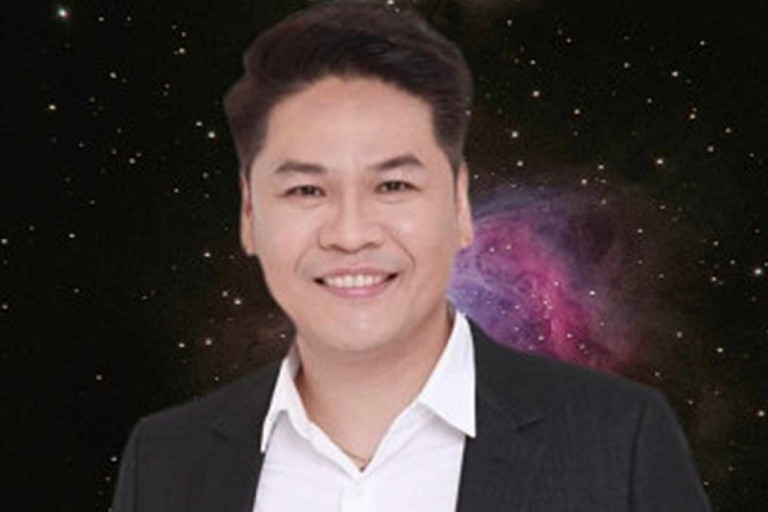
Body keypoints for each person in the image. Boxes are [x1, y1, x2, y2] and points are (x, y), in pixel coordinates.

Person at [111, 2, 711, 511]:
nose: (350, 234)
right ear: (249, 214)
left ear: (459, 204)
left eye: (393, 185)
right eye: (306, 190)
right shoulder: (166, 460)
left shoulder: (619, 442)